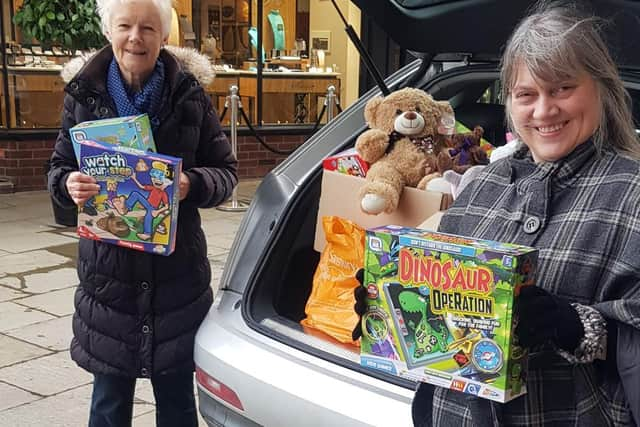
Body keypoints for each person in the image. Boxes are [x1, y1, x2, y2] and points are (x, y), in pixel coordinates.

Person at [356, 2, 640, 426]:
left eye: (562, 88)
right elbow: (442, 320)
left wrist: (577, 327)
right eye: (526, 94)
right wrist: (389, 305)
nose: (543, 111)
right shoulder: (481, 184)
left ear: (599, 88)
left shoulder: (632, 193)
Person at [47, 0, 238, 425]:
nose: (136, 37)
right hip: (109, 284)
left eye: (148, 28)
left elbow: (226, 172)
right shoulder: (84, 94)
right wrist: (67, 185)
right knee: (109, 406)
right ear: (109, 32)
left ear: (164, 36)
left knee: (176, 405)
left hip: (177, 282)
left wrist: (192, 184)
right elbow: (59, 166)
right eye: (125, 26)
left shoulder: (190, 95)